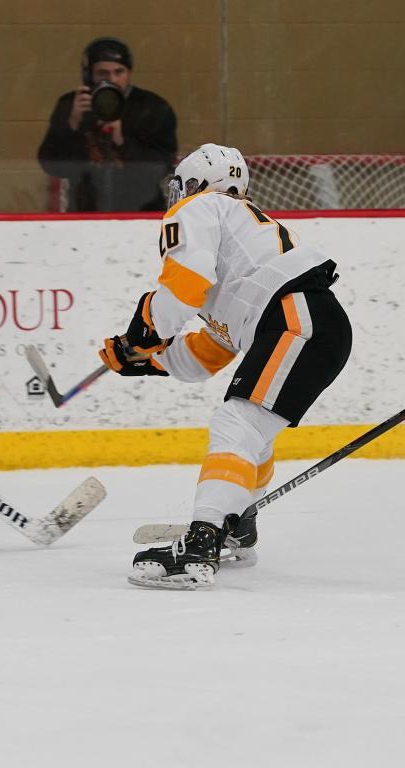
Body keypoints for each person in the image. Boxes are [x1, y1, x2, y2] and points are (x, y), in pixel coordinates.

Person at [97, 144, 353, 589]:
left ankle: (202, 542)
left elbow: (181, 292)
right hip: (305, 321)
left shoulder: (201, 207)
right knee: (253, 430)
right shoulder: (242, 258)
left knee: (236, 424)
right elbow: (206, 354)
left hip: (297, 319)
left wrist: (139, 334)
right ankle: (238, 526)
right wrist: (148, 360)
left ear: (192, 185)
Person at [37, 37, 177, 212]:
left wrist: (122, 141)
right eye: (103, 73)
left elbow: (162, 168)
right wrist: (71, 124)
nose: (112, 79)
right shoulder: (72, 105)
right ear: (89, 76)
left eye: (119, 72)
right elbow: (50, 164)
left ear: (129, 72)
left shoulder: (152, 108)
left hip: (142, 211)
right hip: (85, 211)